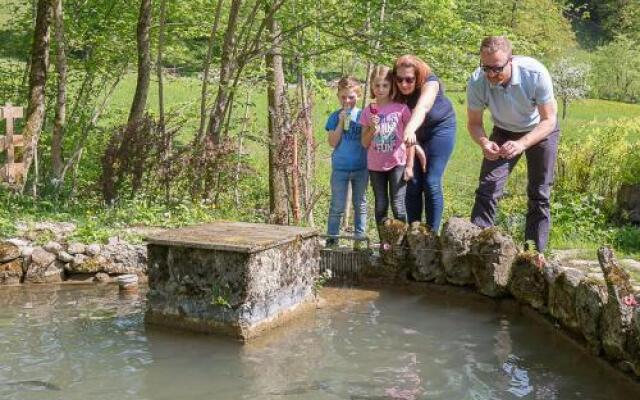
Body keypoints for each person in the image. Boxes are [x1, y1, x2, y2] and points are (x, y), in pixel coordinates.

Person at [466, 35, 559, 258]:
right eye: (485, 68)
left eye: (497, 69)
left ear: (511, 60)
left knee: (539, 193)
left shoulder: (535, 74)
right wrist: (485, 142)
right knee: (488, 188)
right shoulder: (478, 81)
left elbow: (549, 120)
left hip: (539, 129)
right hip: (503, 129)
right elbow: (474, 124)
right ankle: (478, 250)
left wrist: (521, 144)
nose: (490, 75)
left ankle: (533, 255)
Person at [393, 55, 457, 233]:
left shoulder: (430, 82)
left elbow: (422, 107)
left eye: (409, 79)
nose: (404, 84)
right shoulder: (395, 86)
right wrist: (413, 140)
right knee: (412, 181)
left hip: (439, 128)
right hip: (413, 134)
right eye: (399, 79)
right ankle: (415, 233)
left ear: (418, 77)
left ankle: (431, 235)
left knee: (431, 182)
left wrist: (410, 130)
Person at [361, 66, 411, 238]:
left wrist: (410, 165)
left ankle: (402, 242)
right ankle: (385, 242)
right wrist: (372, 129)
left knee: (398, 205)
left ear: (391, 87)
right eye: (377, 85)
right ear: (372, 87)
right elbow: (364, 142)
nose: (381, 89)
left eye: (385, 85)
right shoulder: (368, 111)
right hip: (375, 165)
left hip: (397, 162)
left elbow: (410, 139)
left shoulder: (401, 109)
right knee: (381, 204)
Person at [325, 77, 369, 248]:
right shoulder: (335, 116)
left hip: (361, 167)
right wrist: (341, 122)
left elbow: (367, 140)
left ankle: (359, 241)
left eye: (351, 97)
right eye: (343, 97)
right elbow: (332, 142)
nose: (347, 101)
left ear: (358, 95)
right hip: (340, 169)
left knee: (360, 204)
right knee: (337, 206)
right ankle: (332, 240)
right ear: (338, 96)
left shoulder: (364, 115)